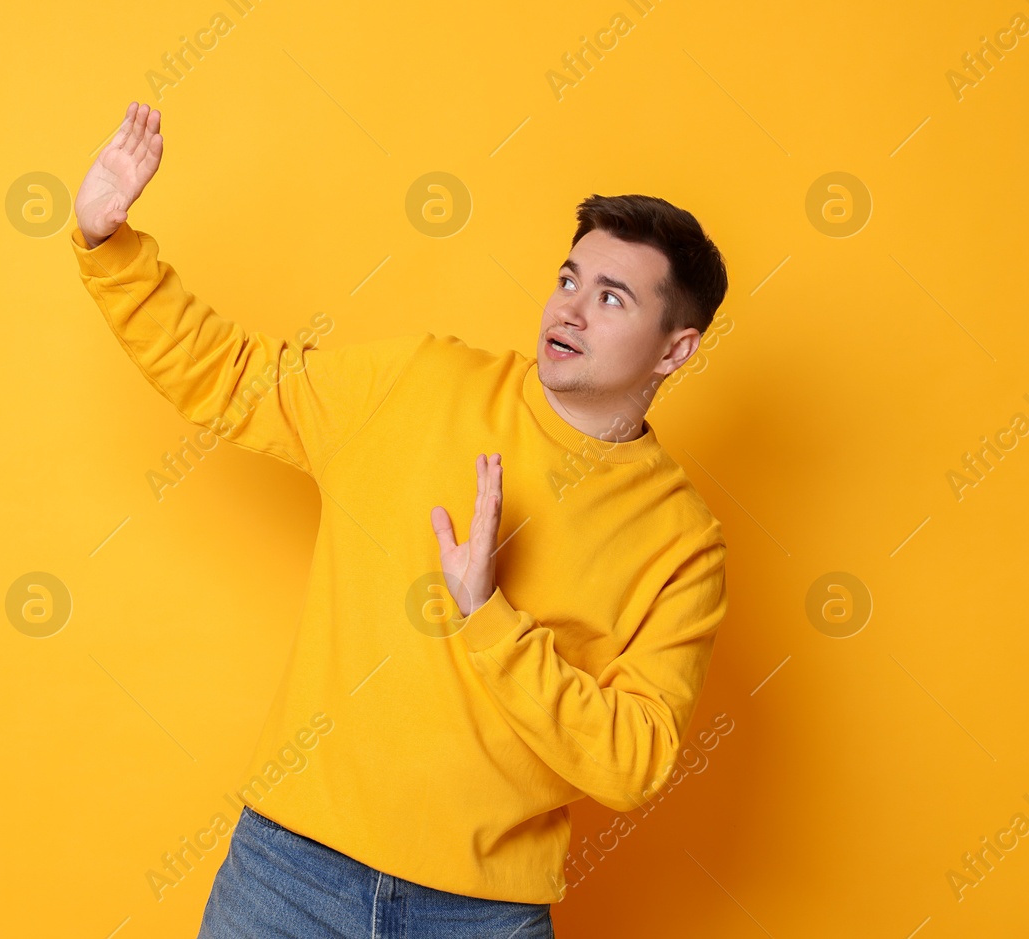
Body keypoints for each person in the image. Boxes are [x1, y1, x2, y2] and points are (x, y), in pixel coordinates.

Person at [71, 102, 730, 938]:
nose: (569, 310)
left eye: (611, 297)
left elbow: (633, 759)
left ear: (675, 349)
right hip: (289, 870)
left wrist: (488, 616)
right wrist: (110, 249)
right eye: (568, 279)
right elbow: (237, 379)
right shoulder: (423, 383)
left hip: (482, 913)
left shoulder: (682, 542)